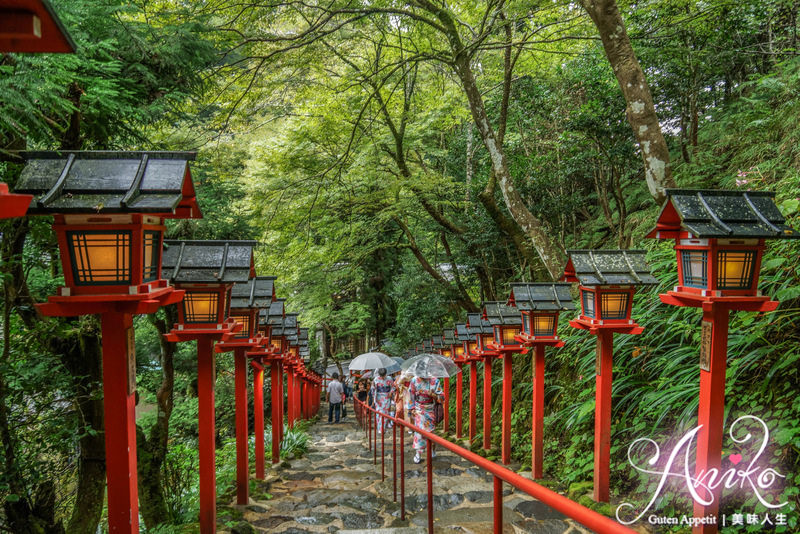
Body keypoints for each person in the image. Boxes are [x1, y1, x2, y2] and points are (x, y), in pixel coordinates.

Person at [408, 375, 444, 464]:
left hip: (430, 409)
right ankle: (418, 453)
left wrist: (432, 394)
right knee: (419, 432)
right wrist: (411, 408)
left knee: (430, 432)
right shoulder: (414, 380)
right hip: (419, 409)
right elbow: (411, 394)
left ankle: (432, 449)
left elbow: (442, 397)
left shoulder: (435, 381)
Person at [370, 367, 395, 434]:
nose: (383, 377)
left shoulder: (389, 378)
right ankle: (380, 428)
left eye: (383, 375)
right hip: (379, 397)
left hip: (387, 397)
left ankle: (384, 428)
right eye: (381, 376)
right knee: (379, 413)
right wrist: (373, 386)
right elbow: (373, 389)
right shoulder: (376, 379)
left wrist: (391, 392)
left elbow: (393, 387)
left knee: (386, 413)